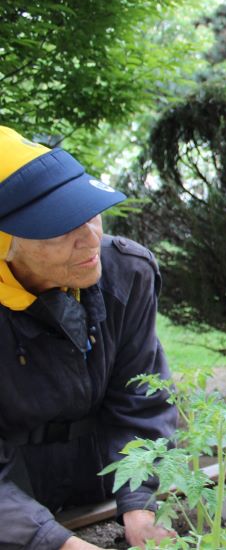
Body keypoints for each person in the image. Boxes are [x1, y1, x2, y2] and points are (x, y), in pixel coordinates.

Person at [0, 126, 176, 549]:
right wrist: (54, 541)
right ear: (6, 245)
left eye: (89, 212)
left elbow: (140, 398)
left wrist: (139, 502)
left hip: (97, 479)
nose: (91, 238)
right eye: (60, 229)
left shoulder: (126, 273)